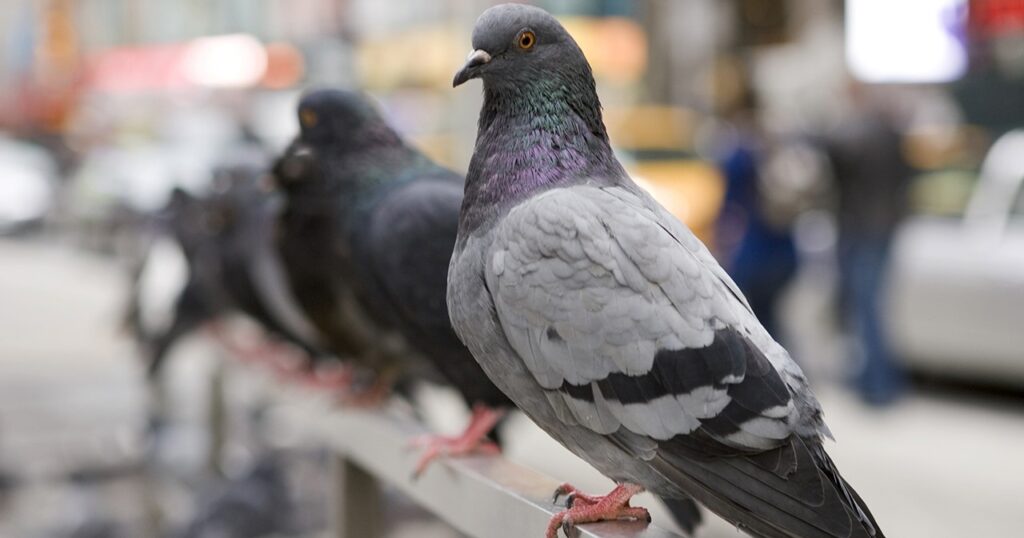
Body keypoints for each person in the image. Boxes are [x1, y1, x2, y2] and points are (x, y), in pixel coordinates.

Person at [825, 83, 912, 406]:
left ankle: (876, 386)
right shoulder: (891, 133)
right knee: (872, 306)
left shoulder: (853, 134)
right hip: (883, 228)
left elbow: (835, 165)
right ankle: (876, 380)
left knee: (865, 308)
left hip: (861, 228)